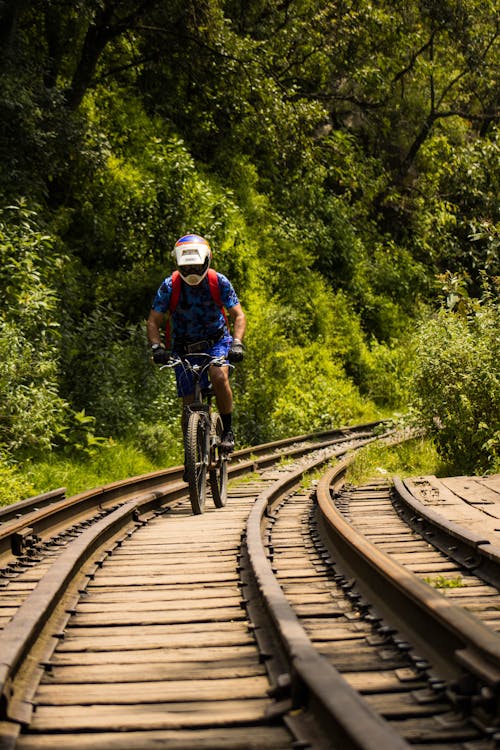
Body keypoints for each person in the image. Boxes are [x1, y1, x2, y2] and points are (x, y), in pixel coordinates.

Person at [146, 233, 246, 455]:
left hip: (216, 342)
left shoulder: (218, 282)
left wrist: (237, 344)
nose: (192, 272)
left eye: (196, 267)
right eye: (187, 268)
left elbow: (238, 315)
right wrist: (157, 347)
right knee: (188, 404)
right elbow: (154, 320)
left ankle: (228, 431)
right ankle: (192, 455)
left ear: (206, 261)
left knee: (219, 376)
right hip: (183, 347)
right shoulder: (170, 286)